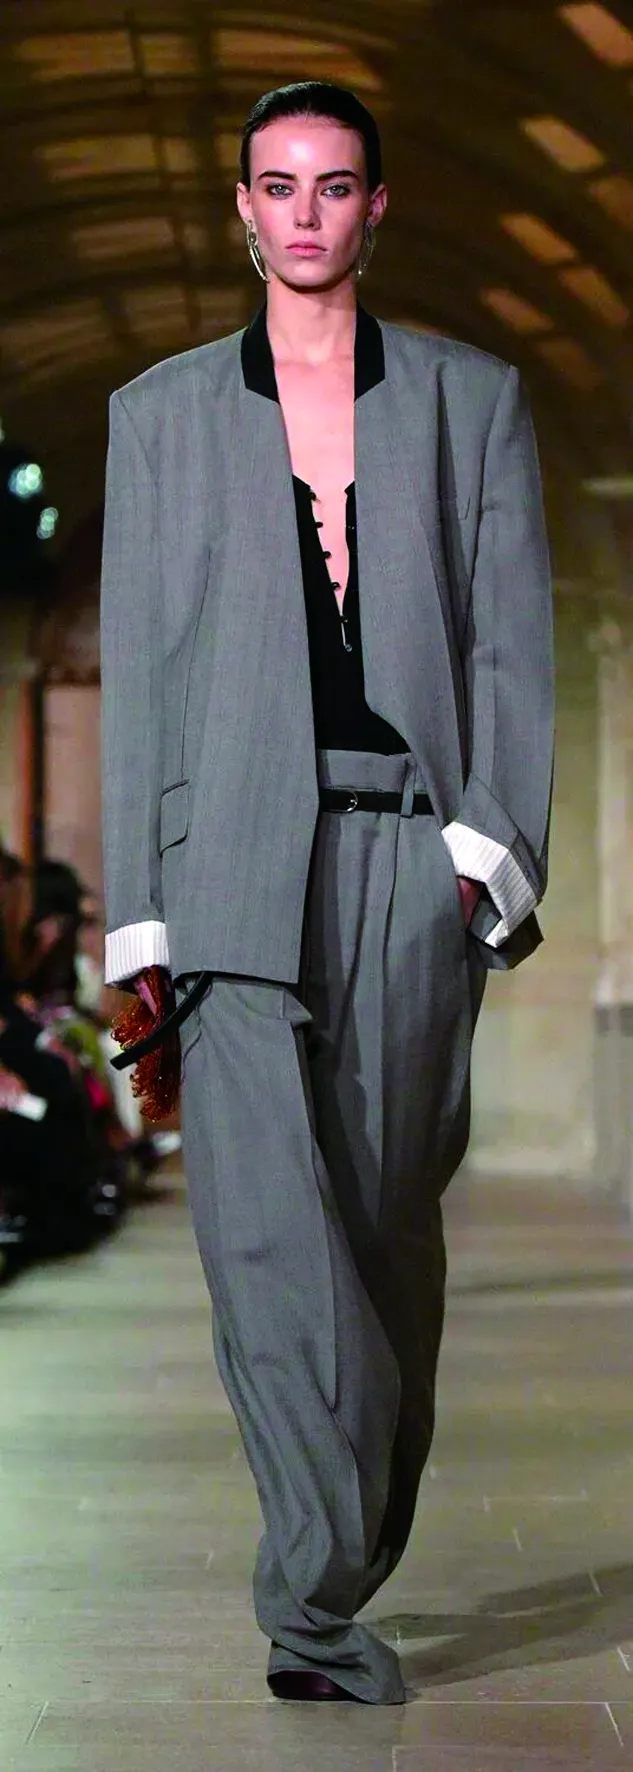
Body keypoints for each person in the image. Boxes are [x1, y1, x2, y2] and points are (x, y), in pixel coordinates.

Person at [100, 82, 554, 1704]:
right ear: (242, 207)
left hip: (400, 853)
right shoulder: (159, 415)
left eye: (333, 185)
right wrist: (139, 918)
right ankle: (308, 1600)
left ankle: (350, 1536)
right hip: (227, 860)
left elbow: (510, 643)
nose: (303, 213)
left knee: (381, 1225)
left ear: (376, 206)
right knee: (262, 1237)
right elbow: (144, 673)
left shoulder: (468, 400)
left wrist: (485, 848)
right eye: (277, 186)